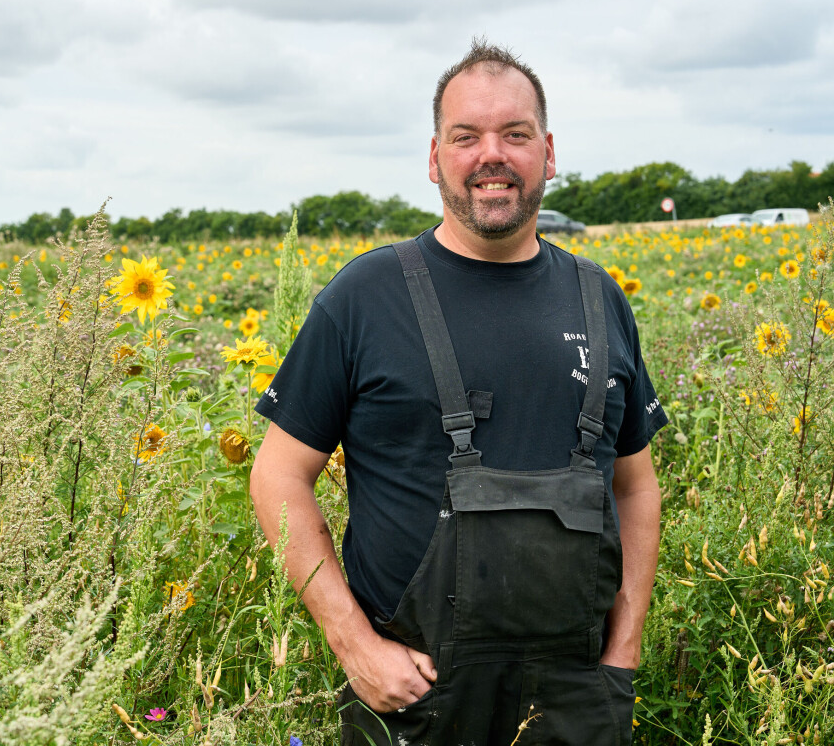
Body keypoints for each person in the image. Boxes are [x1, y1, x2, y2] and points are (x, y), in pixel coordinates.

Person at [250, 39, 667, 746]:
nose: (491, 156)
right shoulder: (364, 298)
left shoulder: (601, 300)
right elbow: (278, 476)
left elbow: (636, 488)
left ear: (550, 152)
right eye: (466, 136)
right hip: (414, 696)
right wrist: (354, 646)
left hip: (576, 700)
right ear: (435, 157)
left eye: (516, 134)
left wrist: (621, 656)